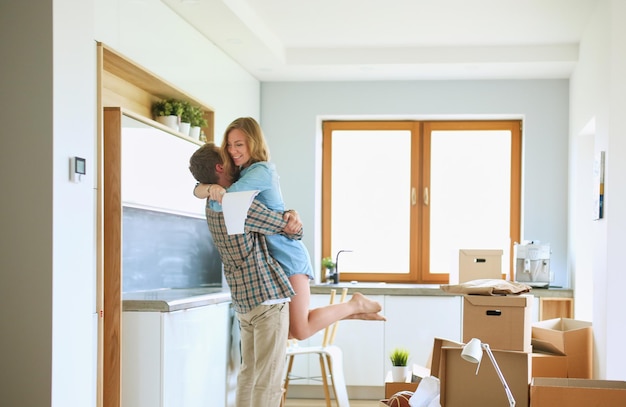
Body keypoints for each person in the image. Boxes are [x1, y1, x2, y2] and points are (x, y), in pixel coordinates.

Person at [193, 118, 385, 342]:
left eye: (239, 144)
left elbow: (223, 202)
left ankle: (355, 305)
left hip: (288, 254)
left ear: (253, 143)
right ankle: (352, 310)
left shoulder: (261, 171)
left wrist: (209, 189)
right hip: (273, 260)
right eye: (229, 144)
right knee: (292, 330)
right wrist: (205, 187)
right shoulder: (243, 173)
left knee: (299, 331)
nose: (232, 151)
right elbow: (204, 190)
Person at [190, 142, 300, 407]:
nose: (235, 159)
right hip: (267, 298)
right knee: (268, 382)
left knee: (249, 375)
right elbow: (289, 229)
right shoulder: (238, 203)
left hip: (244, 303)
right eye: (229, 156)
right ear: (220, 167)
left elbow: (197, 190)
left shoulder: (210, 203)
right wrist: (293, 217)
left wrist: (204, 188)